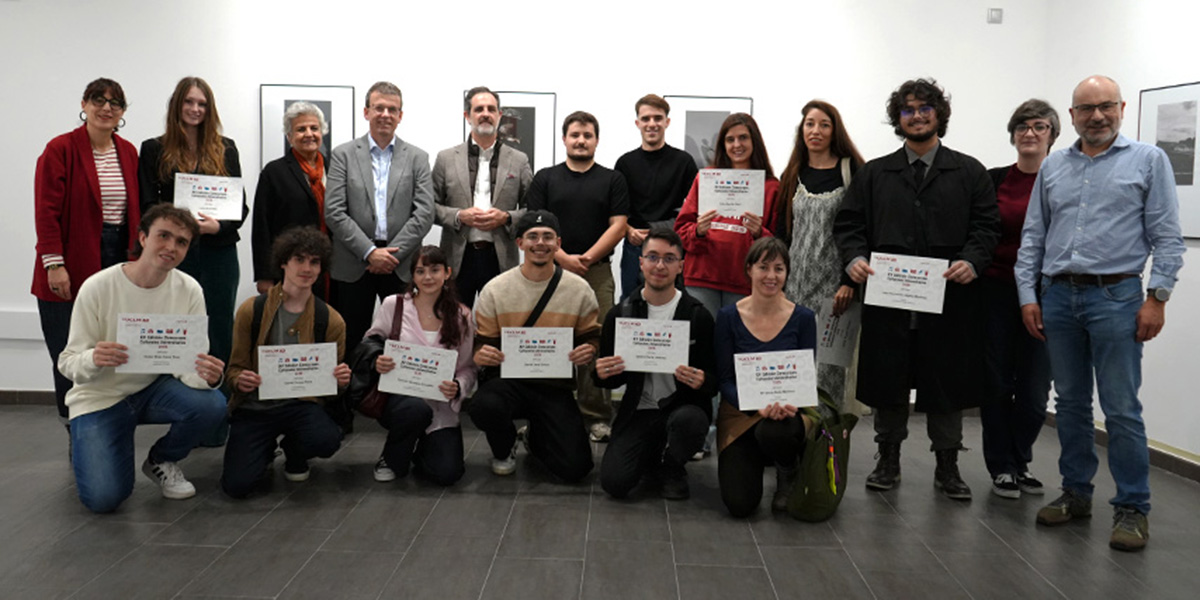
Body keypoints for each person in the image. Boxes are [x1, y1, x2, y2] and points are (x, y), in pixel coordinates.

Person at [1016, 75, 1186, 552]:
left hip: (1118, 298)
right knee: (1069, 403)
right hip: (1057, 298)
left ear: (1121, 108)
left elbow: (1167, 238)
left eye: (1105, 107)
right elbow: (1034, 238)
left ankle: (1132, 507)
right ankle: (1076, 492)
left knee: (1121, 408)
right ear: (1070, 116)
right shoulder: (1054, 168)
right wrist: (1028, 296)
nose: (1096, 116)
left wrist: (1158, 297)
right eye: (1086, 109)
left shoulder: (1148, 161)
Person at [833, 78, 1000, 500]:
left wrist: (972, 260)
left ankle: (948, 465)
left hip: (951, 300)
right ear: (898, 119)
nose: (917, 115)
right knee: (889, 380)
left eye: (925, 107)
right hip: (888, 300)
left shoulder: (970, 171)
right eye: (908, 109)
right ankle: (887, 459)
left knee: (946, 383)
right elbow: (849, 226)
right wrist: (854, 259)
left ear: (939, 114)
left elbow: (986, 227)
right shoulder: (874, 173)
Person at [57, 204, 227, 513]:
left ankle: (161, 459)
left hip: (152, 389)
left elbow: (189, 366)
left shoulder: (189, 290)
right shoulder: (98, 286)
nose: (171, 247)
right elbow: (68, 362)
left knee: (212, 404)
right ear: (143, 237)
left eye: (181, 242)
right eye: (163, 236)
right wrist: (94, 357)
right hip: (100, 397)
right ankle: (111, 434)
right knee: (104, 499)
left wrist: (207, 376)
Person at [33, 78, 141, 436]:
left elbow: (133, 212)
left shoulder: (128, 151)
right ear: (84, 103)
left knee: (109, 345)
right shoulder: (60, 148)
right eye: (99, 99)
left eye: (115, 102)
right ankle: (74, 428)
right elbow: (46, 212)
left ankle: (107, 422)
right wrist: (55, 263)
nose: (106, 107)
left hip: (116, 255)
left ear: (123, 112)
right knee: (69, 350)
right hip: (70, 258)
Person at [468, 210, 600, 482]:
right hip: (509, 383)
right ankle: (504, 448)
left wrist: (590, 349)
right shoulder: (496, 289)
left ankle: (535, 436)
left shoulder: (579, 289)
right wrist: (483, 354)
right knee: (484, 406)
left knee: (575, 469)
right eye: (532, 237)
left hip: (554, 386)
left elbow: (591, 337)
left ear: (558, 243)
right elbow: (482, 344)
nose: (540, 243)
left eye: (548, 237)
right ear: (519, 243)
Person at [675, 112, 779, 457]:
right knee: (702, 356)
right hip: (702, 277)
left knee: (739, 358)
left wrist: (758, 233)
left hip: (742, 283)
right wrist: (700, 230)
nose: (736, 145)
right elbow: (681, 231)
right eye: (730, 140)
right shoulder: (706, 180)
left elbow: (778, 244)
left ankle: (736, 433)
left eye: (743, 139)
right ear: (722, 145)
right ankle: (699, 435)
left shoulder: (770, 188)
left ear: (754, 143)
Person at [221, 227, 351, 498]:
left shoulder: (331, 320)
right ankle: (265, 448)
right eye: (299, 259)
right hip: (255, 407)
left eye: (314, 262)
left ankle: (295, 451)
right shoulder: (252, 310)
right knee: (237, 486)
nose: (307, 268)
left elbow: (330, 389)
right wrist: (239, 380)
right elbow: (233, 369)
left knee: (326, 439)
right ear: (283, 262)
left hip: (301, 406)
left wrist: (340, 381)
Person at [526, 111, 629, 442]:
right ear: (564, 139)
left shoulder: (613, 179)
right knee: (547, 342)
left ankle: (596, 415)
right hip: (549, 273)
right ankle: (543, 415)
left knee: (595, 343)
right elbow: (533, 227)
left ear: (597, 140)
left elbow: (619, 225)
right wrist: (564, 258)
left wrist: (586, 258)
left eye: (587, 135)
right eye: (575, 135)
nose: (581, 140)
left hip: (596, 273)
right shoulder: (545, 178)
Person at [595, 228, 714, 500]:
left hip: (681, 407)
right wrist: (602, 373)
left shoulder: (698, 316)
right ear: (641, 262)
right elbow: (611, 379)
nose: (660, 265)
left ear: (681, 266)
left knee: (690, 420)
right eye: (652, 257)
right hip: (639, 409)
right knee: (615, 483)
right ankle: (652, 455)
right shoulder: (621, 313)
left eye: (670, 258)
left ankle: (672, 467)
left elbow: (714, 379)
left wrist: (702, 380)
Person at [139, 76, 248, 372]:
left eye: (202, 103)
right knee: (175, 320)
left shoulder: (226, 148)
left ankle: (220, 395)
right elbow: (148, 205)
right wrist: (177, 228)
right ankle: (178, 390)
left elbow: (239, 207)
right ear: (177, 104)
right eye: (189, 101)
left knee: (219, 322)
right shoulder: (153, 149)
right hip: (173, 251)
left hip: (218, 252)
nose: (195, 109)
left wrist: (218, 227)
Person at [980, 99, 1059, 500]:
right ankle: (1003, 467)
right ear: (1012, 134)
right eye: (1023, 126)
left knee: (1033, 391)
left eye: (1040, 126)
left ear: (1053, 135)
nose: (1030, 132)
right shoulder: (993, 181)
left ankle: (1019, 459)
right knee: (995, 382)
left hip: (1048, 296)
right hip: (995, 291)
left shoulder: (1062, 181)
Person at [325, 81, 435, 355]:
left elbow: (424, 213)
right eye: (379, 108)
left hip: (400, 262)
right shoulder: (343, 154)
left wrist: (390, 255)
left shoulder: (418, 158)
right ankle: (350, 397)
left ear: (400, 116)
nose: (385, 114)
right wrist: (370, 251)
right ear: (366, 112)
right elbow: (334, 211)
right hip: (353, 262)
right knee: (350, 339)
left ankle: (395, 398)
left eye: (392, 109)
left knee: (403, 340)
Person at [714, 238, 817, 517]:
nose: (771, 276)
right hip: (741, 413)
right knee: (740, 504)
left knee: (776, 430)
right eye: (763, 267)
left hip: (787, 414)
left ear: (787, 273)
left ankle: (787, 470)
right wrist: (754, 404)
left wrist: (790, 404)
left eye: (779, 268)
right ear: (749, 269)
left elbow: (805, 375)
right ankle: (755, 459)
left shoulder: (804, 318)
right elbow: (724, 381)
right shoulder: (727, 317)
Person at [775, 100, 865, 410]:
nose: (816, 130)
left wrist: (849, 282)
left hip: (836, 289)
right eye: (810, 124)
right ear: (801, 130)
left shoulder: (852, 170)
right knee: (794, 363)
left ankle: (825, 448)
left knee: (828, 371)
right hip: (795, 287)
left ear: (834, 130)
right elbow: (781, 234)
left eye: (824, 124)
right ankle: (792, 443)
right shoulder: (793, 174)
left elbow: (861, 231)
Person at [366, 246, 477, 486]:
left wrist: (458, 387)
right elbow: (371, 343)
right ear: (412, 276)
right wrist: (378, 360)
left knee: (447, 473)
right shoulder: (393, 305)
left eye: (435, 270)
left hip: (441, 408)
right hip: (400, 401)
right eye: (420, 271)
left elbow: (468, 367)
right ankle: (391, 457)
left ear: (447, 273)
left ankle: (420, 446)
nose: (428, 277)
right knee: (415, 411)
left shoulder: (462, 316)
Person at [432, 86, 532, 308]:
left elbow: (532, 209)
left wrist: (506, 218)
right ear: (467, 116)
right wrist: (459, 215)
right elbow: (430, 207)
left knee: (501, 324)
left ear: (499, 115)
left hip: (500, 258)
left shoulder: (519, 159)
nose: (485, 113)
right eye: (479, 109)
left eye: (491, 109)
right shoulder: (446, 158)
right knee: (454, 327)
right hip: (458, 257)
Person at [614, 94, 698, 300]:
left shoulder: (684, 162)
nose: (652, 124)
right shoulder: (625, 163)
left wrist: (658, 229)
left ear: (667, 122)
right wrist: (628, 230)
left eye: (658, 118)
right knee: (631, 305)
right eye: (646, 119)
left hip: (672, 245)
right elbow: (616, 209)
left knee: (674, 305)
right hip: (635, 247)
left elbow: (692, 210)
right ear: (637, 123)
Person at [251, 102, 334, 298]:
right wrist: (264, 275)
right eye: (300, 129)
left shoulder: (336, 169)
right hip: (290, 267)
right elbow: (261, 226)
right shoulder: (274, 172)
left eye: (314, 128)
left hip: (330, 267)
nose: (309, 134)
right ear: (289, 137)